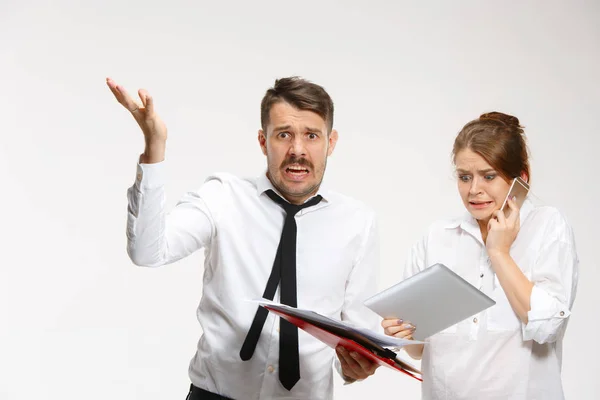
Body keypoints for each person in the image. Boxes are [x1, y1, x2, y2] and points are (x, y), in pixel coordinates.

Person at [106, 76, 381, 399]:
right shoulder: (222, 197)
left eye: (311, 136)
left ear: (330, 143)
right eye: (284, 135)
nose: (297, 150)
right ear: (263, 141)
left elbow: (357, 334)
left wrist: (356, 366)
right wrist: (155, 147)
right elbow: (147, 252)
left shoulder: (358, 222)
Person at [382, 112, 579, 400]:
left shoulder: (548, 227)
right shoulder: (438, 237)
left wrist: (499, 252)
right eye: (464, 177)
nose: (474, 190)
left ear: (520, 179)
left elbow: (548, 328)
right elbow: (418, 349)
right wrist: (403, 332)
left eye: (488, 176)